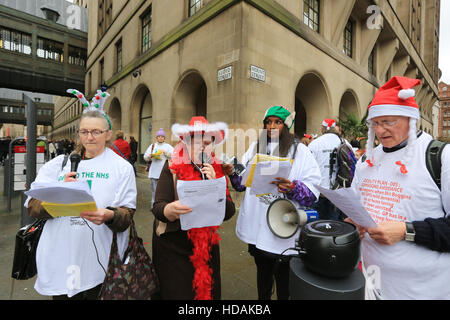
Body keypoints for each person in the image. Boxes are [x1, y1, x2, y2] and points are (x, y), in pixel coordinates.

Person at [25, 89, 137, 300]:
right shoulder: (59, 164)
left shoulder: (121, 167)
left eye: (96, 131)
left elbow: (127, 215)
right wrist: (58, 196)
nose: (89, 137)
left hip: (100, 262)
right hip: (60, 258)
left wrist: (110, 215)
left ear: (108, 134)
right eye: (84, 131)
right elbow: (32, 206)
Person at [347, 76, 450, 300]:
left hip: (423, 291)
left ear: (410, 119)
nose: (380, 130)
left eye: (388, 121)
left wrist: (406, 231)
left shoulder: (441, 156)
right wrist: (353, 223)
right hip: (371, 283)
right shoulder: (367, 160)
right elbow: (357, 206)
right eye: (375, 123)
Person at [229, 106, 321, 300]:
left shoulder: (301, 151)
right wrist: (232, 170)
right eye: (268, 122)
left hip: (282, 229)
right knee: (262, 273)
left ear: (286, 126)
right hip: (256, 225)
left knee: (283, 280)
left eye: (277, 122)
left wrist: (293, 187)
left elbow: (313, 192)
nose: (272, 126)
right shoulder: (255, 148)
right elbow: (240, 184)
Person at [151, 116, 235, 300]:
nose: (202, 146)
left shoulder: (217, 168)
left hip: (206, 248)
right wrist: (169, 211)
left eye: (207, 142)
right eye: (196, 141)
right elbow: (158, 207)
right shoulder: (172, 166)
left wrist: (217, 185)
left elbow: (229, 211)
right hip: (174, 247)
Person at [308, 118, 345, 221]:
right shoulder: (344, 142)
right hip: (337, 191)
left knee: (316, 225)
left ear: (322, 129)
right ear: (334, 128)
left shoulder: (315, 144)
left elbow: (308, 167)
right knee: (334, 225)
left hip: (318, 192)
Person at [143, 128, 173, 207]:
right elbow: (145, 157)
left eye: (162, 136)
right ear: (156, 138)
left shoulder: (168, 146)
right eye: (159, 136)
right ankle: (154, 206)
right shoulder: (152, 146)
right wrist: (150, 156)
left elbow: (174, 156)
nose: (160, 138)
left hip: (164, 173)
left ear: (164, 138)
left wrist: (166, 154)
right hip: (154, 172)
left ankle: (162, 205)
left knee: (163, 190)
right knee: (154, 191)